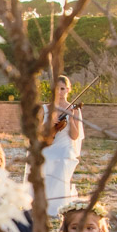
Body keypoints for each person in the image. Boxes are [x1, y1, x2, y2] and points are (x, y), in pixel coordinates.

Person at [39, 74, 83, 214]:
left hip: (65, 146)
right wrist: (48, 123)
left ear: (68, 89)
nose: (59, 92)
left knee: (63, 160)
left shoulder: (74, 109)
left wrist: (71, 118)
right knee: (45, 158)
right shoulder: (45, 109)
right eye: (56, 89)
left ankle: (59, 204)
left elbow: (74, 136)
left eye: (63, 89)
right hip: (48, 144)